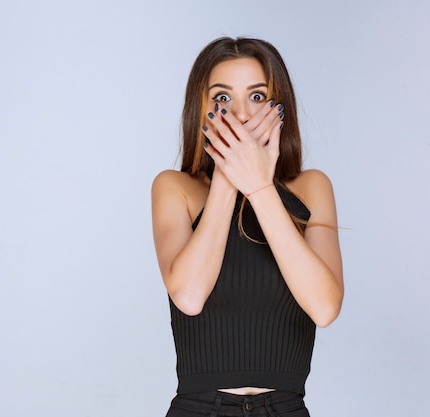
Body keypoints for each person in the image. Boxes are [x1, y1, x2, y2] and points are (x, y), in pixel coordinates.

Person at [151, 37, 344, 417]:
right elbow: (189, 296)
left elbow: (324, 308)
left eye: (256, 97)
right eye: (222, 99)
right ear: (201, 108)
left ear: (278, 107)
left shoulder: (312, 187)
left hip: (285, 408)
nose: (240, 115)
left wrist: (259, 186)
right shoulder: (175, 188)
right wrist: (227, 177)